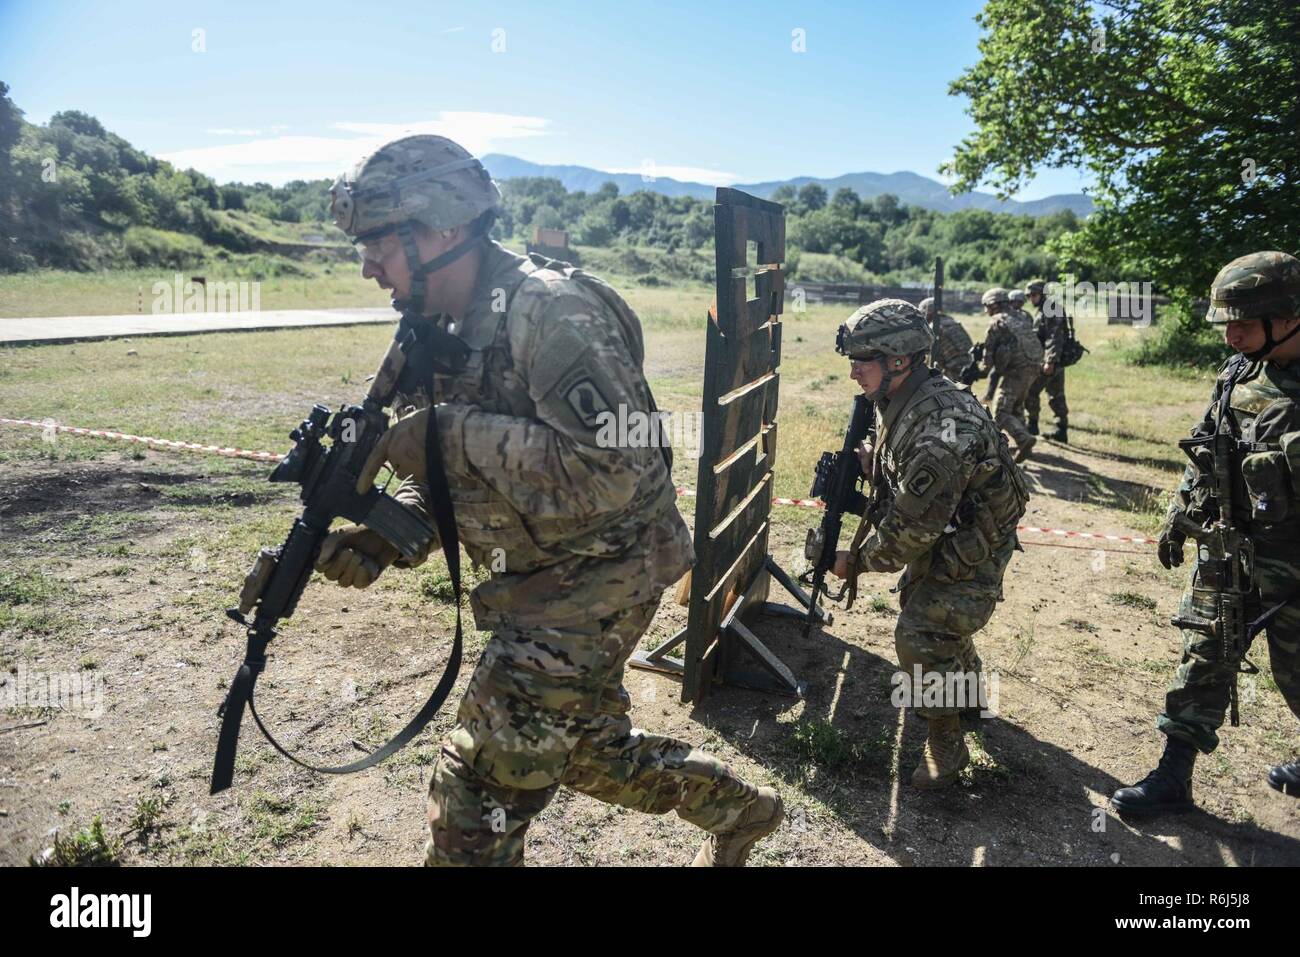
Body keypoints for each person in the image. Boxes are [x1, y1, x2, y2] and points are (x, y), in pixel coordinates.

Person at [317, 134, 782, 865]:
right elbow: (443, 469)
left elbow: (616, 470)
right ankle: (742, 809)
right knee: (586, 755)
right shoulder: (430, 323)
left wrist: (449, 433)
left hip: (604, 574)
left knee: (475, 796)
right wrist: (389, 533)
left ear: (441, 226)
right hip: (537, 575)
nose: (367, 263)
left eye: (377, 240)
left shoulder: (551, 313)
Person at [1111, 251, 1300, 816]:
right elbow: (1204, 447)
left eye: (1243, 323)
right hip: (1231, 551)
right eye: (1227, 323)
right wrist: (1177, 513)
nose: (1231, 336)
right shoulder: (1240, 373)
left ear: (1288, 315)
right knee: (1204, 657)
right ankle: (1173, 777)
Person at [829, 299, 1029, 788]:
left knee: (921, 633)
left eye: (863, 360)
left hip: (970, 541)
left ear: (899, 360)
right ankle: (971, 699)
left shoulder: (942, 428)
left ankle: (947, 741)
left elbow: (905, 539)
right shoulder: (900, 398)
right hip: (949, 529)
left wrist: (852, 562)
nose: (854, 372)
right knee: (935, 618)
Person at [980, 287, 1043, 462]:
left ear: (994, 305)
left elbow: (988, 358)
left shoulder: (997, 322)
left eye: (987, 306)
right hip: (1034, 368)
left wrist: (980, 371)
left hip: (1016, 372)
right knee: (1015, 407)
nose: (987, 311)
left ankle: (1023, 439)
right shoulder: (1021, 316)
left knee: (1000, 412)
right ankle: (1024, 447)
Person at [1023, 279, 1069, 443]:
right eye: (1028, 295)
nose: (1030, 299)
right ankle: (1061, 430)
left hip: (1049, 361)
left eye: (1033, 294)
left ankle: (1032, 426)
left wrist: (1050, 361)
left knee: (1031, 391)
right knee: (1056, 394)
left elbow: (1054, 337)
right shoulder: (1045, 309)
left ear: (1042, 294)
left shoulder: (1049, 310)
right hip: (1055, 360)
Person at [918, 295, 973, 382]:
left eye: (924, 314)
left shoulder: (935, 327)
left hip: (954, 368)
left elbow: (930, 355)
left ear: (929, 313)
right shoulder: (952, 321)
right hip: (968, 365)